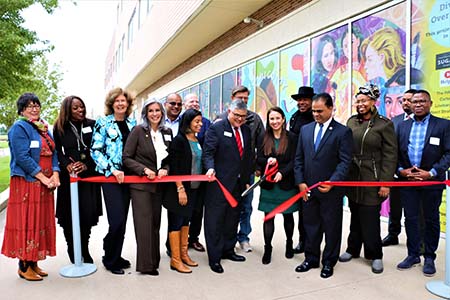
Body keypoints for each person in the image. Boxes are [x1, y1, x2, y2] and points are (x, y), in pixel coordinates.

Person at [339, 84, 397, 274]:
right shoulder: (351, 121)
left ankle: (375, 255)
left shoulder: (384, 124)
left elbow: (390, 155)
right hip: (353, 176)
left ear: (373, 102)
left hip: (373, 177)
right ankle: (352, 249)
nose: (360, 104)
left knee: (370, 217)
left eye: (364, 100)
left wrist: (385, 182)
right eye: (358, 100)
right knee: (355, 215)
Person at [1, 93, 60, 281]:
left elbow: (54, 152)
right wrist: (43, 178)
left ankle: (34, 261)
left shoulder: (43, 128)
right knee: (27, 222)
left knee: (39, 223)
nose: (34, 108)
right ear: (22, 110)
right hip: (27, 183)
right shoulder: (19, 128)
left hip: (44, 185)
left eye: (36, 105)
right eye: (29, 106)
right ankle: (23, 265)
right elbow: (22, 157)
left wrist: (56, 174)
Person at [294, 93, 353, 278]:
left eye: (320, 111)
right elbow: (299, 159)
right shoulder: (306, 130)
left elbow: (345, 162)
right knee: (310, 226)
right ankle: (311, 259)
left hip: (331, 191)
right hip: (308, 190)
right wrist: (301, 182)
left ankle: (328, 262)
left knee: (331, 227)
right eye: (313, 111)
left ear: (331, 108)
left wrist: (333, 182)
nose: (316, 114)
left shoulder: (342, 132)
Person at [396, 89, 450, 277]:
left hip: (431, 182)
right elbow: (394, 153)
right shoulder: (402, 126)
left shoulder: (443, 125)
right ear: (410, 104)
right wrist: (401, 170)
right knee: (410, 218)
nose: (418, 104)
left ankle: (429, 256)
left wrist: (432, 173)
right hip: (408, 182)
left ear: (430, 103)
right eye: (415, 101)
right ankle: (413, 255)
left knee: (431, 219)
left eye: (422, 101)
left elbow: (448, 153)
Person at [202, 99, 253, 273]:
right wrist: (210, 168)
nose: (239, 119)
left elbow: (246, 156)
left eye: (243, 117)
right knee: (215, 220)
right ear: (228, 111)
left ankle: (228, 249)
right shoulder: (216, 128)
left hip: (238, 184)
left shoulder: (246, 130)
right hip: (219, 184)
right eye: (236, 115)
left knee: (232, 218)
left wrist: (246, 178)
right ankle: (214, 258)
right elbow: (208, 153)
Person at [122, 99, 171, 276]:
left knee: (155, 225)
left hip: (158, 186)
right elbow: (126, 158)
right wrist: (143, 170)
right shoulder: (138, 131)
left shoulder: (167, 132)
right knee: (144, 226)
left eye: (158, 110)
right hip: (141, 186)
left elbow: (168, 159)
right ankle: (145, 266)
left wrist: (165, 169)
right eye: (151, 111)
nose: (155, 114)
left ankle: (154, 261)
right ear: (145, 113)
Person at [91, 87, 136, 275]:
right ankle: (109, 257)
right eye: (117, 101)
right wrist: (112, 169)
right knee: (116, 220)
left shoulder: (133, 124)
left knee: (123, 220)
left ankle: (116, 254)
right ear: (112, 104)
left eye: (123, 101)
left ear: (128, 104)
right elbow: (95, 150)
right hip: (111, 178)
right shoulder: (103, 123)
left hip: (130, 177)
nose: (120, 103)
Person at [53, 95, 102, 264]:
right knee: (68, 216)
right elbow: (57, 151)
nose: (80, 110)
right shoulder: (59, 127)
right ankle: (72, 248)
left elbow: (98, 148)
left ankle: (84, 249)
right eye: (75, 108)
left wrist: (87, 164)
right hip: (70, 178)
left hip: (88, 176)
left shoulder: (93, 125)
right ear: (67, 110)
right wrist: (66, 164)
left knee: (87, 215)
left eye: (81, 106)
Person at [216, 85, 265, 253]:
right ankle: (225, 238)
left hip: (247, 172)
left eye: (246, 98)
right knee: (227, 206)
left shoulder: (255, 119)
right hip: (226, 173)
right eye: (240, 97)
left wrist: (258, 166)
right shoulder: (221, 119)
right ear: (232, 98)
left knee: (246, 206)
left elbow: (261, 145)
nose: (243, 100)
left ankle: (243, 237)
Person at [163, 108, 204, 273]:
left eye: (200, 121)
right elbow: (174, 166)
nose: (200, 124)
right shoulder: (179, 141)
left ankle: (184, 254)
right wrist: (180, 188)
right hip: (180, 190)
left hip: (194, 189)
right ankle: (175, 260)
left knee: (185, 222)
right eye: (197, 122)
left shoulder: (196, 139)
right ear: (188, 122)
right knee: (176, 223)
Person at [257, 107, 299, 265]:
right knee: (269, 217)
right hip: (269, 185)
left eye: (277, 118)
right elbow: (259, 158)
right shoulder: (263, 137)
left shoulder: (292, 137)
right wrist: (267, 161)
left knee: (288, 216)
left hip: (286, 184)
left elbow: (295, 160)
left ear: (283, 119)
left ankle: (289, 243)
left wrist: (282, 172)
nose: (274, 122)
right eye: (271, 119)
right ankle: (268, 248)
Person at [382, 89, 415, 247]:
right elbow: (389, 148)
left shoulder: (424, 122)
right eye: (404, 100)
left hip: (416, 175)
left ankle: (415, 241)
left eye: (409, 100)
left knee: (414, 212)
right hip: (396, 172)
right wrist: (395, 169)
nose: (405, 103)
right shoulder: (394, 121)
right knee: (394, 209)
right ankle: (393, 234)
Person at [288, 86, 315, 254]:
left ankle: (312, 243)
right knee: (302, 210)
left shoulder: (315, 118)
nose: (301, 102)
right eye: (299, 100)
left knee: (311, 211)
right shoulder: (294, 117)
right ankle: (302, 241)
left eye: (305, 99)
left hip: (312, 168)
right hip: (297, 168)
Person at [183, 93, 211, 252]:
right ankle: (179, 242)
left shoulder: (207, 124)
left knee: (198, 211)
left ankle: (193, 238)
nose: (194, 103)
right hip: (185, 178)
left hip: (201, 177)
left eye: (197, 101)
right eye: (191, 101)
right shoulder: (182, 128)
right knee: (182, 213)